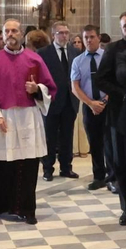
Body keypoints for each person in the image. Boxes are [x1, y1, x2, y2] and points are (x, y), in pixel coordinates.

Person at [0, 19, 56, 223]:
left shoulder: (34, 59)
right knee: (0, 164)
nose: (11, 34)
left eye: (14, 31)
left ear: (21, 34)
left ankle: (25, 209)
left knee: (27, 166)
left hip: (28, 118)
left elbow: (49, 88)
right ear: (2, 36)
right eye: (7, 31)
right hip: (3, 117)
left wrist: (37, 89)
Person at [96, 11, 126, 206]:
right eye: (125, 26)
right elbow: (101, 79)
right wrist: (122, 94)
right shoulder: (114, 49)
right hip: (120, 112)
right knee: (121, 162)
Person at [71, 25, 111, 191]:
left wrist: (105, 100)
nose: (88, 40)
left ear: (98, 38)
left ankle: (112, 177)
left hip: (108, 105)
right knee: (94, 143)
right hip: (89, 106)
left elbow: (114, 81)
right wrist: (90, 103)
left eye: (92, 37)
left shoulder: (107, 57)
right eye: (85, 37)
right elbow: (75, 87)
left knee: (110, 142)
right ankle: (99, 176)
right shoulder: (78, 61)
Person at [39, 22, 78, 181]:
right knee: (50, 136)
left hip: (70, 100)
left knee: (67, 136)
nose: (64, 36)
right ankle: (48, 168)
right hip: (52, 100)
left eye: (66, 32)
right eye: (60, 33)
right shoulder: (44, 53)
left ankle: (66, 167)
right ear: (53, 35)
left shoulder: (75, 51)